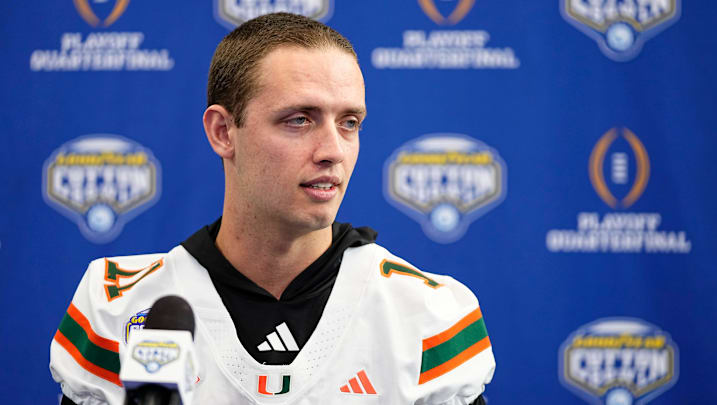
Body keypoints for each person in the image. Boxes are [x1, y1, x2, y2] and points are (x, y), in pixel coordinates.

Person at [50, 12, 495, 405]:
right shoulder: (117, 308)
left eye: (349, 123)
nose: (333, 151)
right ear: (223, 131)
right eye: (299, 120)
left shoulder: (429, 315)